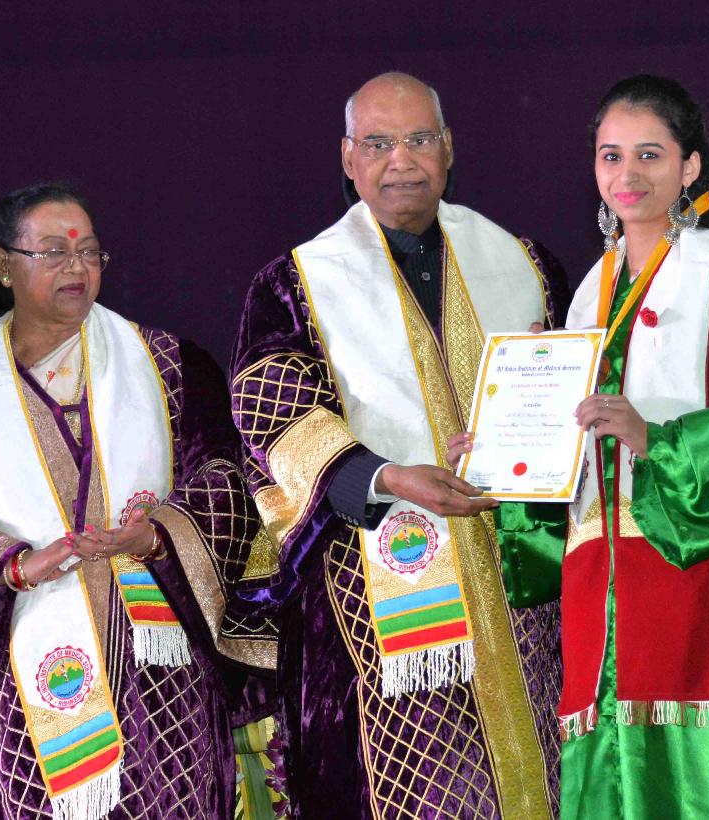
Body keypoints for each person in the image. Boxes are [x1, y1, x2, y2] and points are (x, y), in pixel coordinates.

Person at [484, 74, 709, 819]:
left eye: (650, 154)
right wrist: (500, 444)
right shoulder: (591, 288)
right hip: (601, 577)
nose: (628, 174)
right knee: (611, 772)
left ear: (690, 166)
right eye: (611, 156)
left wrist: (658, 441)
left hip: (699, 559)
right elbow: (574, 437)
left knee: (704, 779)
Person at [227, 72, 569, 818]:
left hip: (520, 577)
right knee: (424, 786)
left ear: (449, 148)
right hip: (376, 589)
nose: (401, 160)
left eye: (418, 139)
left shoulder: (523, 262)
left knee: (540, 765)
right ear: (347, 157)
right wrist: (384, 477)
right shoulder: (295, 283)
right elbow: (272, 410)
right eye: (378, 143)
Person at [0, 182, 274, 819]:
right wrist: (8, 566)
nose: (77, 267)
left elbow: (228, 478)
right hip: (20, 677)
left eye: (89, 252)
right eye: (54, 252)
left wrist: (162, 534)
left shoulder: (168, 367)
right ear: (4, 265)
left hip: (159, 669)